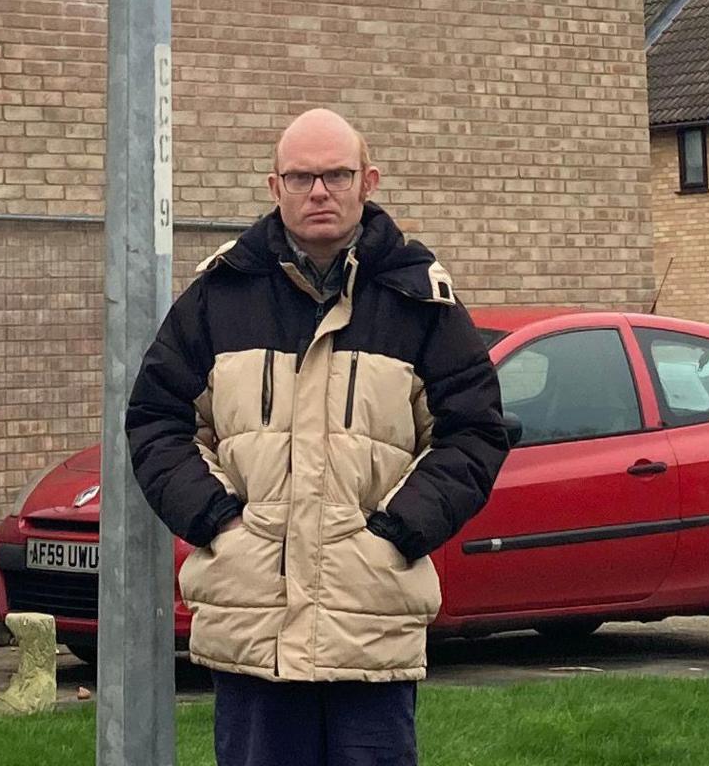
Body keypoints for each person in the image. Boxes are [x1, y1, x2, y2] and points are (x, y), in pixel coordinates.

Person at [126, 109, 514, 766]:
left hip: (370, 626)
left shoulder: (422, 303)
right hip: (256, 629)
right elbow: (156, 421)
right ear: (274, 187)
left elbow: (473, 435)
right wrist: (220, 521)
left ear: (368, 180)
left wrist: (396, 532)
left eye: (335, 174)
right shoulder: (219, 298)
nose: (319, 191)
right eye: (301, 176)